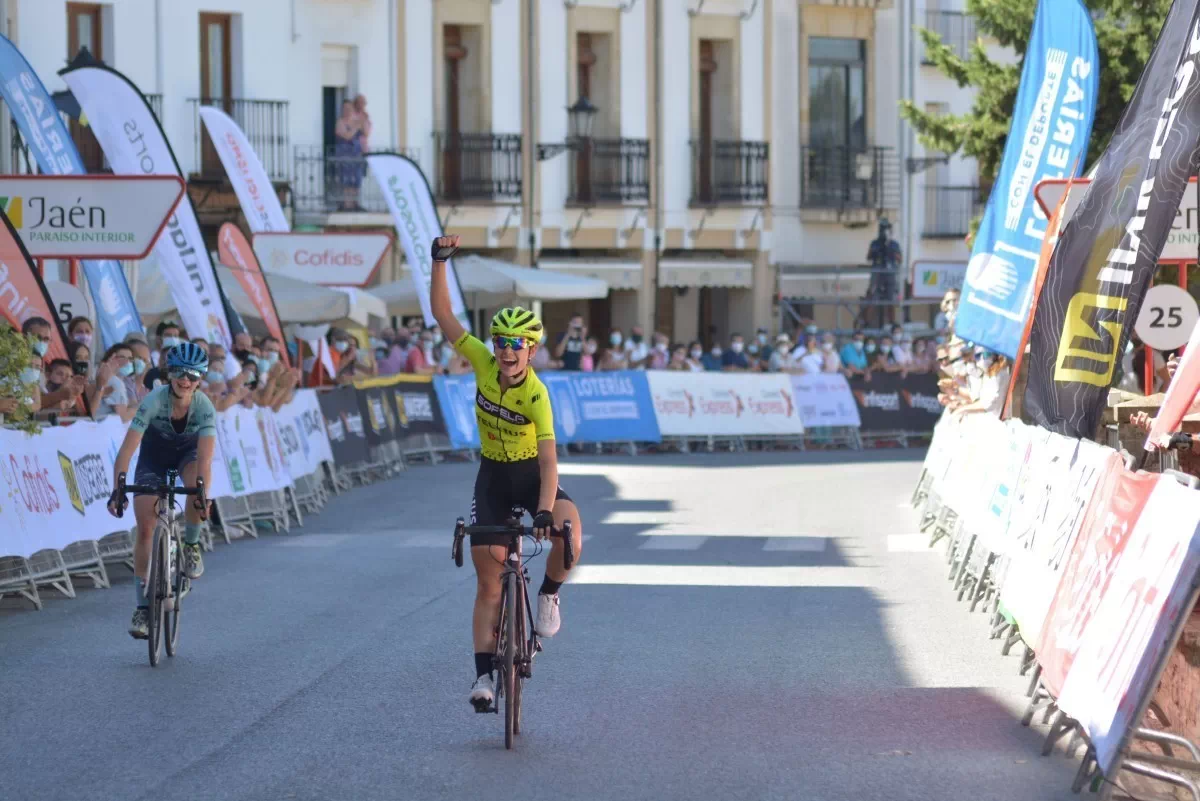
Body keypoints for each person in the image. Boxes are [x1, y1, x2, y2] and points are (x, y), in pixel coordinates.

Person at [428, 233, 583, 712]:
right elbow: (443, 316)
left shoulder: (537, 396)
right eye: (501, 342)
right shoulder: (481, 360)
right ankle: (483, 678)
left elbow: (549, 461)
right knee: (487, 579)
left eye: (516, 343)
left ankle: (549, 596)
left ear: (532, 350)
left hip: (531, 476)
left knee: (571, 536)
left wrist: (542, 511)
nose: (506, 350)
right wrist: (439, 262)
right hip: (494, 475)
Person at [107, 343, 215, 640]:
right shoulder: (154, 400)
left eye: (193, 376)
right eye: (180, 373)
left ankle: (191, 545)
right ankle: (142, 607)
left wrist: (202, 496)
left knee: (198, 487)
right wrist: (119, 487)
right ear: (170, 373)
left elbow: (205, 459)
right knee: (145, 528)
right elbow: (128, 448)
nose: (185, 380)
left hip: (187, 457)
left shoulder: (204, 406)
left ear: (200, 379)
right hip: (152, 459)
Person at [333, 99, 367, 210]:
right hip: (345, 154)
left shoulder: (356, 121)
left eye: (349, 108)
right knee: (346, 180)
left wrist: (363, 121)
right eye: (345, 109)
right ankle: (347, 204)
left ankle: (354, 203)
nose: (347, 111)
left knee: (356, 180)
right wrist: (356, 126)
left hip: (356, 155)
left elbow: (365, 134)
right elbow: (347, 136)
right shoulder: (340, 122)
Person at [96, 343, 138, 422]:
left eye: (130, 359)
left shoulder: (113, 380)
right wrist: (137, 410)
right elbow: (122, 417)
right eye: (122, 358)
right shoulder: (114, 382)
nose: (127, 362)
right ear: (111, 359)